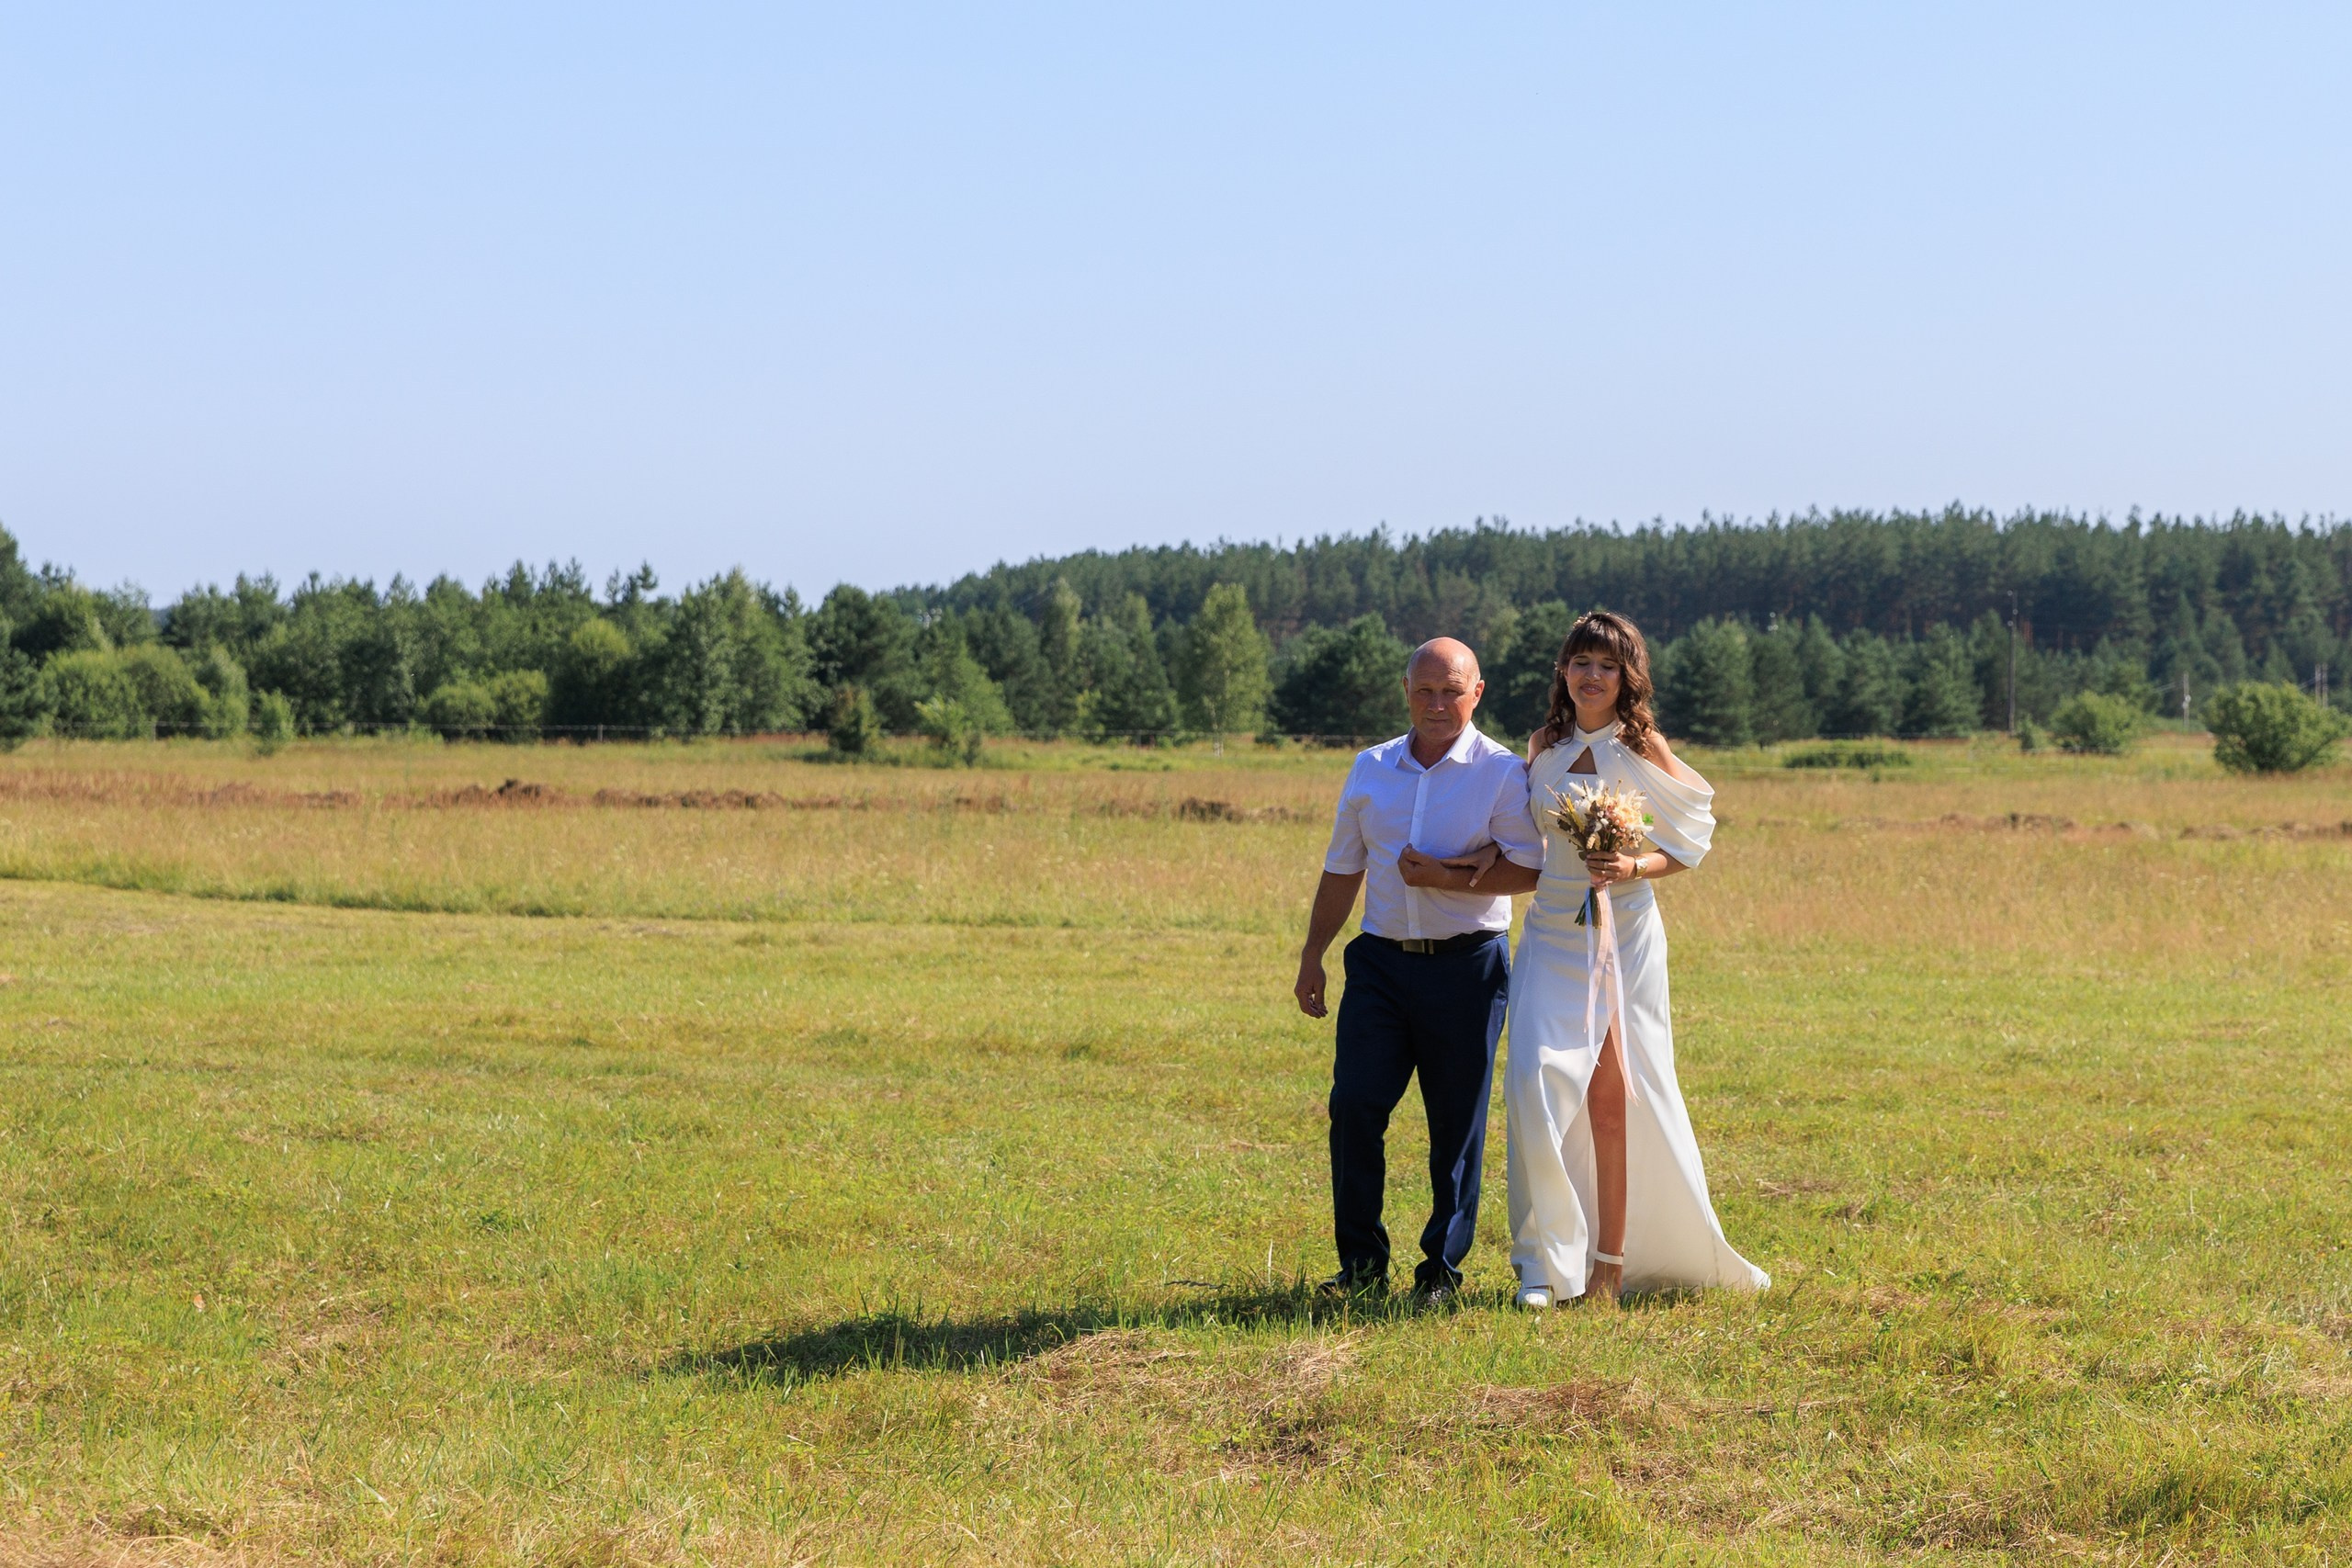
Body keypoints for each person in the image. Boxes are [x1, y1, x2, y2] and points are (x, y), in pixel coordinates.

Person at [1496, 610, 1768, 1309]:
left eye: (1608, 665)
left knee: (1612, 1098)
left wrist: (1632, 863)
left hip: (1624, 934)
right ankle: (1543, 1263)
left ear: (1627, 677)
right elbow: (1525, 841)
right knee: (1530, 1085)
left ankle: (1608, 1269)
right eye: (1581, 662)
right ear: (1563, 671)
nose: (1592, 676)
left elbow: (1692, 837)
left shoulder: (1642, 745)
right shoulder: (1543, 744)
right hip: (1551, 932)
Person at [1293, 637, 1545, 1307]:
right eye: (1425, 690)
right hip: (1379, 964)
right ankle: (1361, 1266)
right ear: (1405, 690)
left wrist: (1445, 878)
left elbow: (1531, 867)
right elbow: (1343, 867)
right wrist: (1312, 954)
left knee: (1455, 1127)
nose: (1438, 705)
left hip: (1469, 967)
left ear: (1478, 692)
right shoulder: (1370, 767)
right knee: (1353, 1106)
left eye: (1452, 691)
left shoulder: (1499, 772)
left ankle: (1440, 1273)